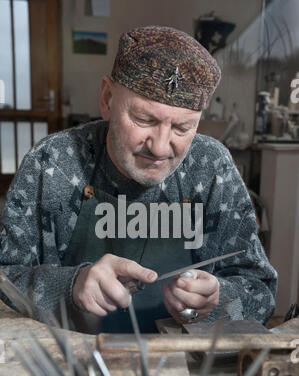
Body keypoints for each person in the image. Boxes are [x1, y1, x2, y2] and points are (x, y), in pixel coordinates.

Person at [0, 26, 277, 333]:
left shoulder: (212, 167)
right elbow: (4, 282)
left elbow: (260, 292)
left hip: (183, 368)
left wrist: (219, 299)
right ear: (107, 98)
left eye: (182, 128)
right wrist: (70, 284)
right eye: (144, 120)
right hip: (72, 365)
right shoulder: (53, 162)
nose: (159, 148)